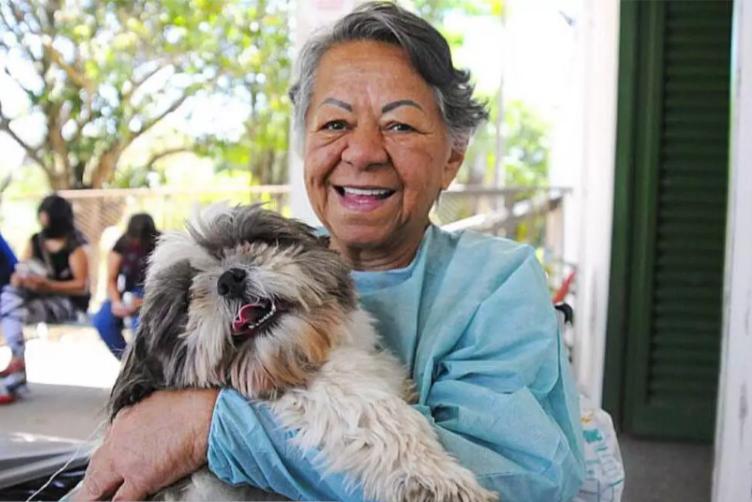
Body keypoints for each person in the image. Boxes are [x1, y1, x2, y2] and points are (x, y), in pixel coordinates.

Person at [78, 2, 585, 500]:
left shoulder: (494, 282)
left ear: (453, 156)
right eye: (335, 124)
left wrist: (209, 423)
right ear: (306, 147)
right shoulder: (261, 273)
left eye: (399, 125)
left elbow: (519, 480)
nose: (362, 153)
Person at [0, 194, 90, 404]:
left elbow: (81, 286)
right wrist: (22, 279)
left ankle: (16, 368)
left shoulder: (75, 246)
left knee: (11, 308)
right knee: (9, 298)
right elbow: (21, 268)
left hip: (67, 302)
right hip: (37, 298)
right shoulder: (36, 241)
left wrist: (48, 285)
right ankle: (16, 367)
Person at [92, 214, 159, 359]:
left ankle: (143, 365)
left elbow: (169, 285)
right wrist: (116, 302)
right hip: (126, 293)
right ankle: (127, 361)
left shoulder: (162, 245)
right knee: (102, 320)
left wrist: (144, 303)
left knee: (140, 326)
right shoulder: (121, 245)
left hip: (152, 295)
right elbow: (111, 279)